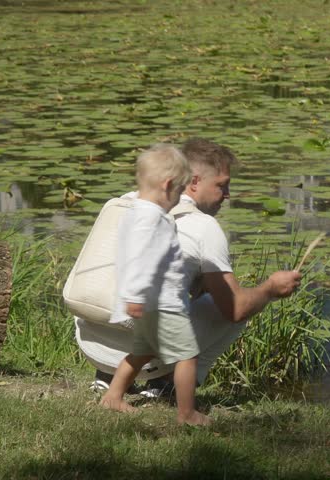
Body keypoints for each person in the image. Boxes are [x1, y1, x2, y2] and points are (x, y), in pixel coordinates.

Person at [76, 138, 301, 407]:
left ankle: (108, 381)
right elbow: (236, 309)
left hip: (91, 341)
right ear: (193, 181)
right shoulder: (204, 226)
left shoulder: (123, 203)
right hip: (150, 324)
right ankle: (170, 391)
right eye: (222, 185)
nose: (228, 195)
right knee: (235, 306)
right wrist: (270, 289)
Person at [98, 143, 210, 426]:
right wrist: (136, 295)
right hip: (162, 303)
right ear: (168, 185)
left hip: (151, 302)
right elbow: (139, 257)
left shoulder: (136, 211)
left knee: (142, 352)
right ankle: (187, 413)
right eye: (180, 191)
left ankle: (113, 396)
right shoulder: (150, 219)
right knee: (187, 355)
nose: (180, 198)